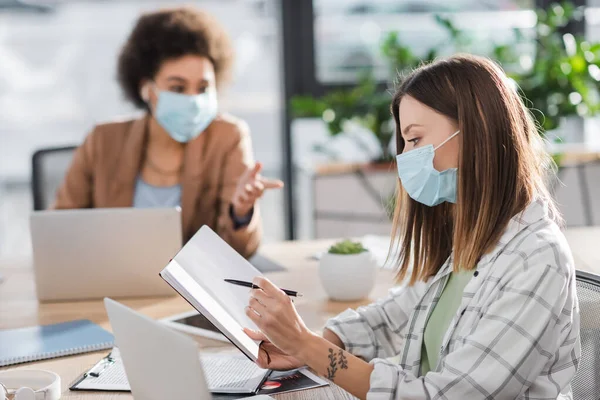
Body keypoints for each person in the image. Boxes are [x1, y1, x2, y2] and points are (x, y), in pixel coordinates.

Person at [242, 55, 581, 399]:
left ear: (477, 129)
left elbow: (446, 395)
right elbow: (392, 318)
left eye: (415, 140)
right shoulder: (471, 238)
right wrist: (304, 343)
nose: (405, 157)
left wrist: (307, 346)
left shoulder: (537, 258)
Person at [53, 7, 282, 258]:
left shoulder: (228, 137)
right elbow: (60, 230)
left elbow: (240, 252)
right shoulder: (102, 140)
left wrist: (241, 213)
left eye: (203, 87)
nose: (193, 99)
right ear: (147, 90)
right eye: (178, 87)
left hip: (188, 293)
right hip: (112, 284)